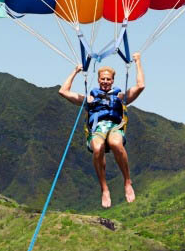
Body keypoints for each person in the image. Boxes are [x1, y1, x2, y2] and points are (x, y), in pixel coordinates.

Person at [58, 53, 145, 208]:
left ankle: (127, 181)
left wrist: (138, 62)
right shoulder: (90, 99)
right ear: (98, 80)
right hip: (97, 129)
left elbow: (140, 86)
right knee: (98, 148)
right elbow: (63, 91)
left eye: (108, 79)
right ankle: (104, 189)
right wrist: (75, 71)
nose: (105, 81)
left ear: (112, 81)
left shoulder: (120, 97)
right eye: (103, 79)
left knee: (116, 144)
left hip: (114, 127)